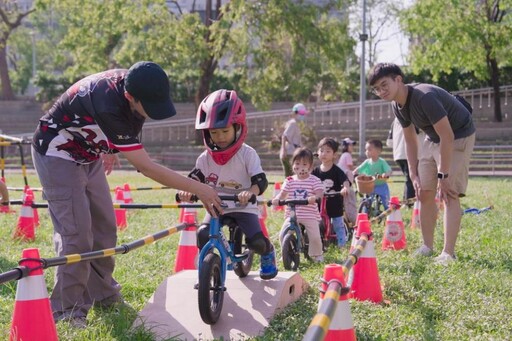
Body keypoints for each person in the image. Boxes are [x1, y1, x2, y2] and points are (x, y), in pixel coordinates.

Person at [31, 61, 223, 328]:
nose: (153, 113)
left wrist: (111, 149)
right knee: (77, 234)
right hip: (56, 153)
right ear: (130, 97)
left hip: (88, 154)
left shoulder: (137, 84)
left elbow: (130, 126)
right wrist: (199, 188)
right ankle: (67, 310)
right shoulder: (108, 103)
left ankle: (104, 294)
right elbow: (145, 167)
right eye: (150, 107)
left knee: (105, 228)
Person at [368, 62, 476, 265]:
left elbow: (448, 135)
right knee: (424, 191)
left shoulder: (424, 97)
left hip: (458, 135)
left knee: (448, 191)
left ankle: (448, 253)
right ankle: (427, 246)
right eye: (377, 89)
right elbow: (409, 139)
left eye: (384, 85)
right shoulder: (397, 105)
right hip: (433, 138)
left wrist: (443, 176)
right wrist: (413, 174)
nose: (381, 91)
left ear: (398, 80)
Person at [177, 89, 278, 280]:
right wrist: (187, 190)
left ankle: (267, 252)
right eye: (214, 132)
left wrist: (250, 192)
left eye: (225, 131)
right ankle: (207, 268)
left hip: (244, 206)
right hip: (217, 205)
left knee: (256, 242)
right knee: (203, 234)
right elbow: (194, 178)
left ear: (237, 128)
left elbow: (260, 181)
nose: (220, 137)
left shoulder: (247, 154)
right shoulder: (205, 158)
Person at [272, 147, 324, 262]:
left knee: (315, 236)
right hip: (292, 214)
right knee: (283, 234)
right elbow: (283, 193)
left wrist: (315, 197)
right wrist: (277, 199)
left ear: (310, 166)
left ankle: (317, 254)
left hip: (309, 214)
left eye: (304, 164)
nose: (300, 167)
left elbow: (320, 193)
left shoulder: (314, 180)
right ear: (293, 165)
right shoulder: (290, 180)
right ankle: (286, 252)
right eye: (297, 163)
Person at [312, 138, 350, 248]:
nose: (324, 153)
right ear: (318, 153)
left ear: (334, 155)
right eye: (321, 150)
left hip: (335, 203)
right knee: (316, 222)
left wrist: (345, 188)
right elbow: (309, 181)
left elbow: (345, 180)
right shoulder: (316, 171)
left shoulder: (337, 170)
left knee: (338, 224)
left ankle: (342, 244)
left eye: (328, 151)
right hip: (319, 204)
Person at [354, 139, 392, 210]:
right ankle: (365, 215)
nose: (366, 152)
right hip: (370, 186)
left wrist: (386, 174)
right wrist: (355, 172)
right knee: (367, 202)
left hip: (381, 186)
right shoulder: (367, 162)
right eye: (366, 150)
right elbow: (359, 168)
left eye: (369, 150)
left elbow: (389, 170)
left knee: (386, 203)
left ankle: (389, 214)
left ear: (378, 151)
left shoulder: (382, 162)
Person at [387, 117, 416, 203]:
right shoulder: (412, 116)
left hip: (398, 154)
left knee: (408, 178)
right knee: (411, 179)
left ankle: (405, 200)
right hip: (409, 153)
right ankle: (409, 202)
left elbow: (389, 142)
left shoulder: (395, 119)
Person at [280, 103, 306, 177]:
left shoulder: (294, 123)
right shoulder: (293, 123)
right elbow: (284, 136)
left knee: (291, 176)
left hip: (293, 151)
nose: (302, 115)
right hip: (289, 152)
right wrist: (284, 150)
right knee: (291, 176)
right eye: (301, 113)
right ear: (295, 113)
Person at [337, 137, 358, 225]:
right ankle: (354, 220)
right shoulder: (347, 155)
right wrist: (358, 171)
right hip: (345, 179)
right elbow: (350, 166)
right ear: (346, 146)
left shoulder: (343, 155)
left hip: (340, 179)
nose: (352, 147)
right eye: (350, 145)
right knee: (350, 199)